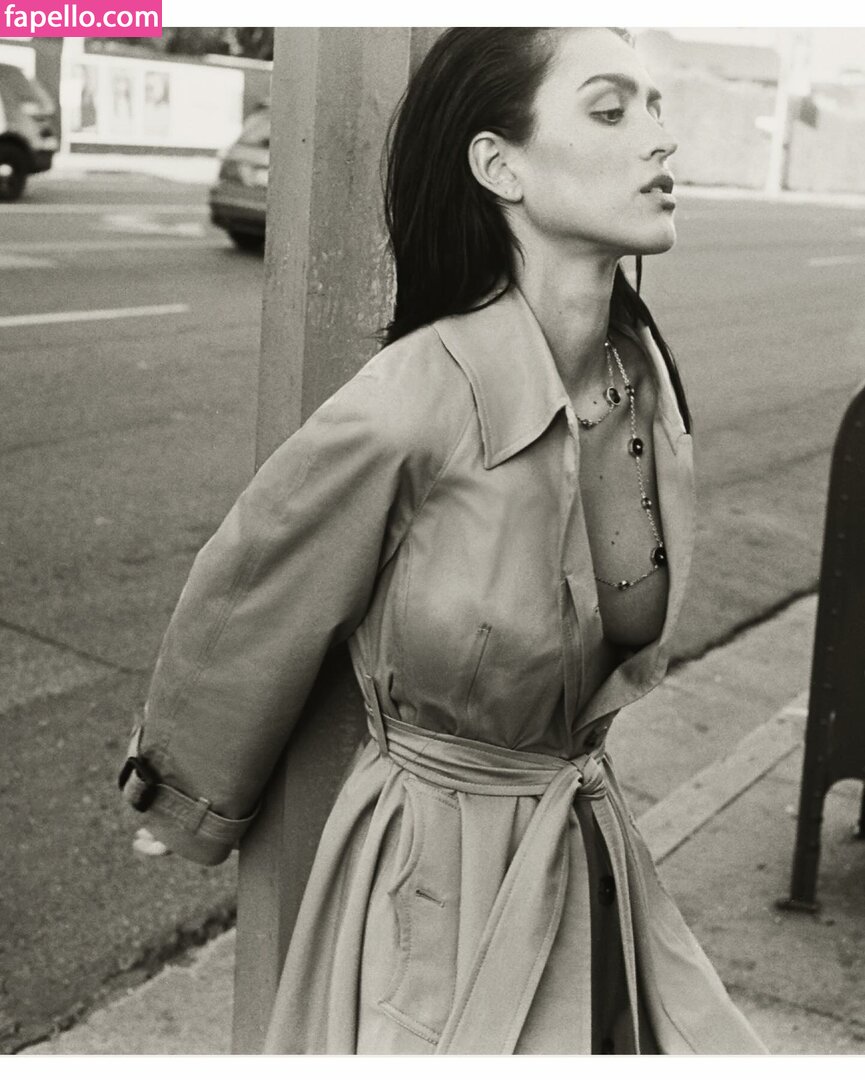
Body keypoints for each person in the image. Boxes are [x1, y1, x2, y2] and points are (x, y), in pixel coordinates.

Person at [121, 27, 767, 1054]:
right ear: (498, 165)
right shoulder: (410, 403)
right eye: (610, 110)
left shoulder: (638, 390)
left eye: (655, 107)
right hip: (430, 898)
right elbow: (249, 597)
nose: (659, 138)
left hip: (584, 856)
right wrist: (186, 799)